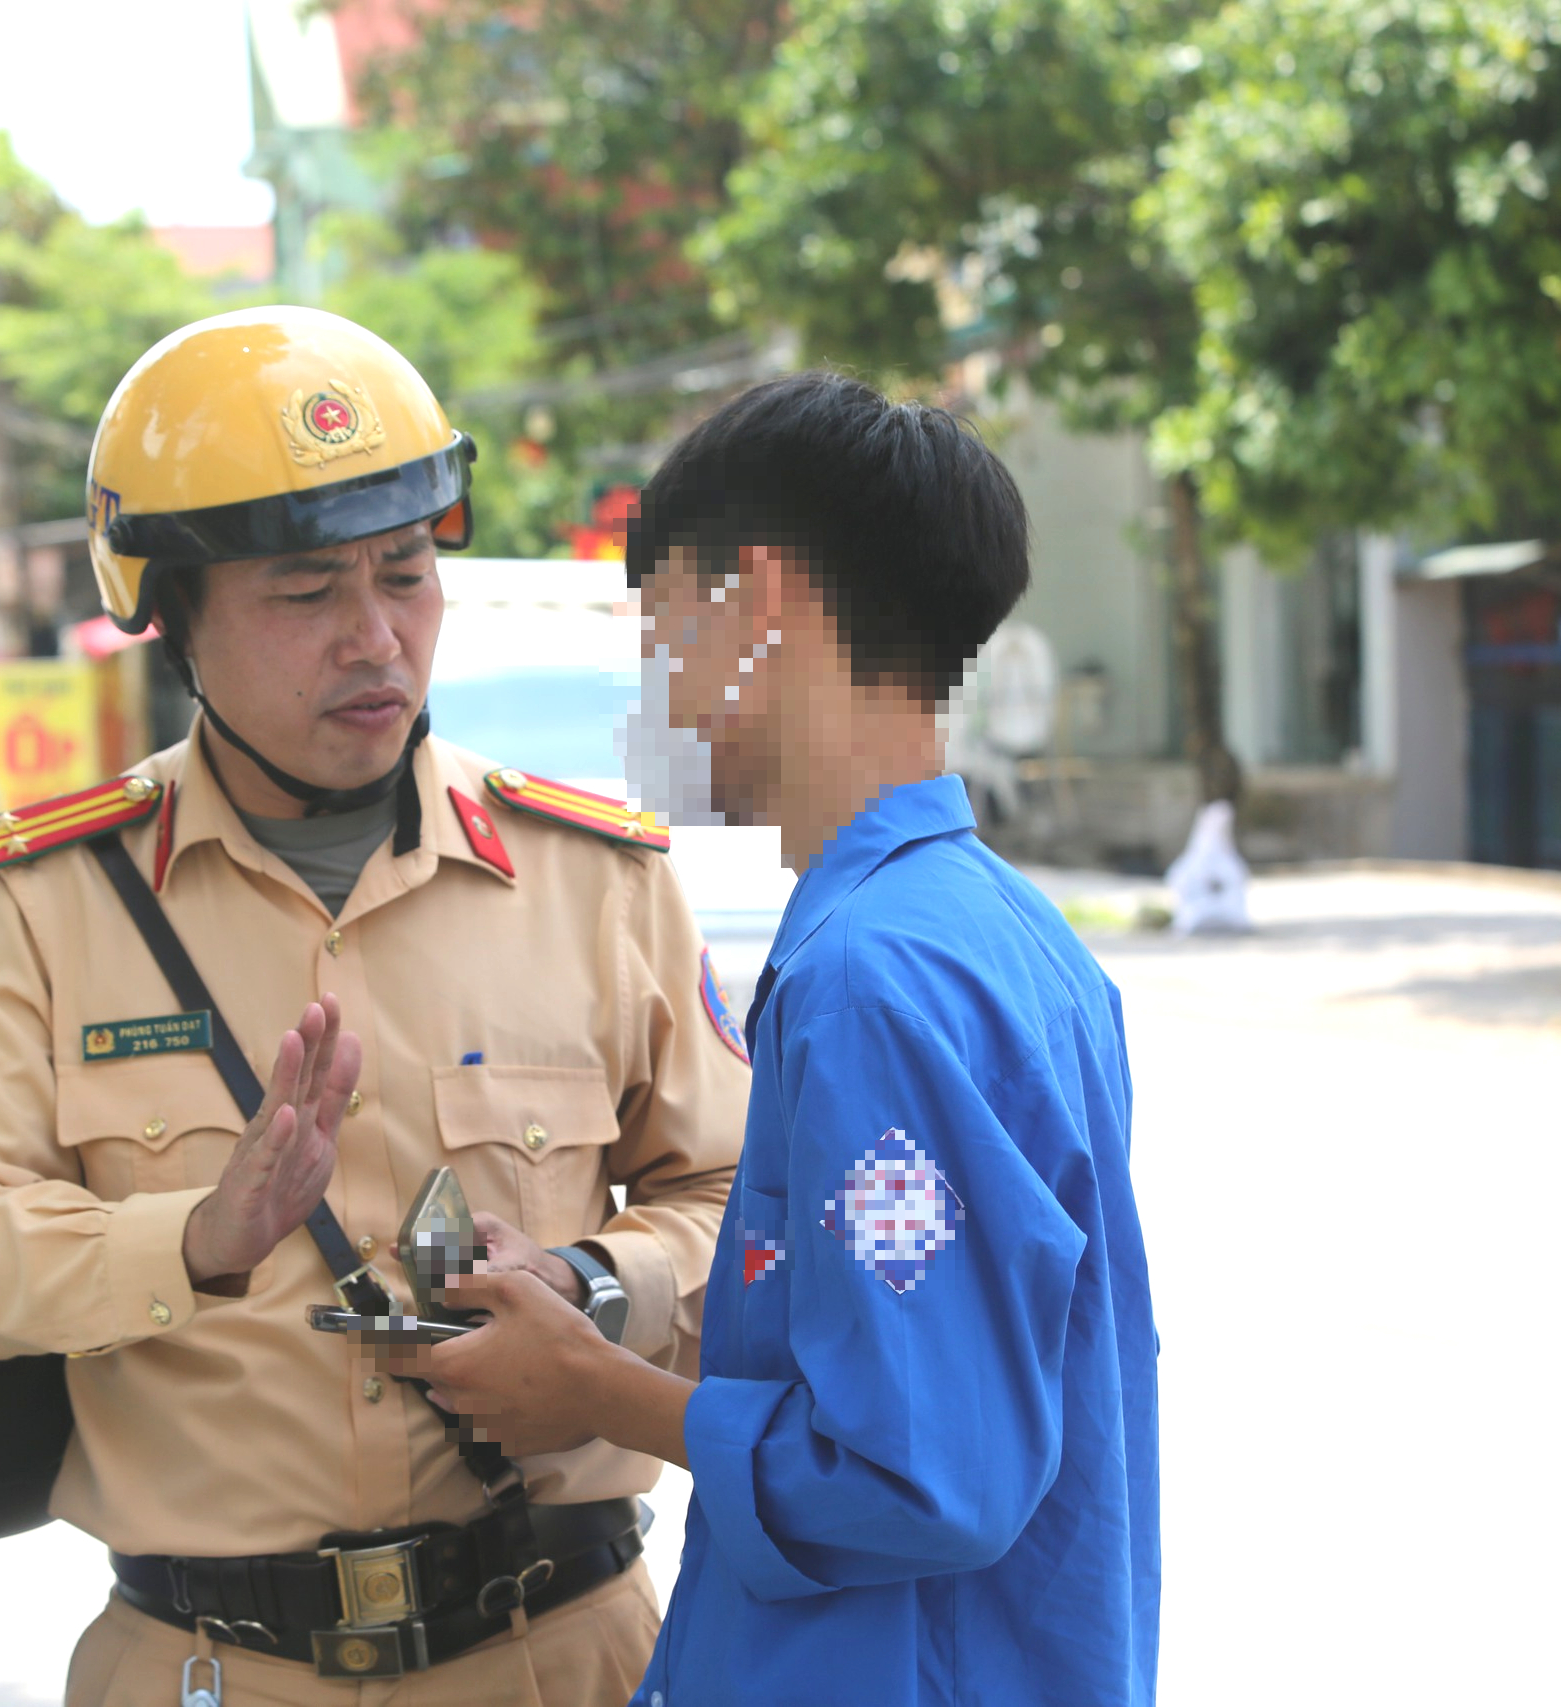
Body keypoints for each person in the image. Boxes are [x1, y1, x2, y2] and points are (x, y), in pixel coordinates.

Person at [0, 306, 747, 1707]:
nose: (375, 636)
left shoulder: (598, 878)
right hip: (210, 1663)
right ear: (173, 615)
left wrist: (592, 1286)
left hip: (559, 1654)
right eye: (303, 591)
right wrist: (197, 1236)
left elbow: (736, 1197)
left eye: (405, 575)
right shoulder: (44, 901)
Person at [410, 372, 1160, 1706]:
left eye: (661, 632)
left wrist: (591, 1386)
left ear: (756, 602)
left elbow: (919, 1468)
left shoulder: (874, 973)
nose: (658, 689)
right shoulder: (999, 927)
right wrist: (587, 1306)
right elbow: (907, 1348)